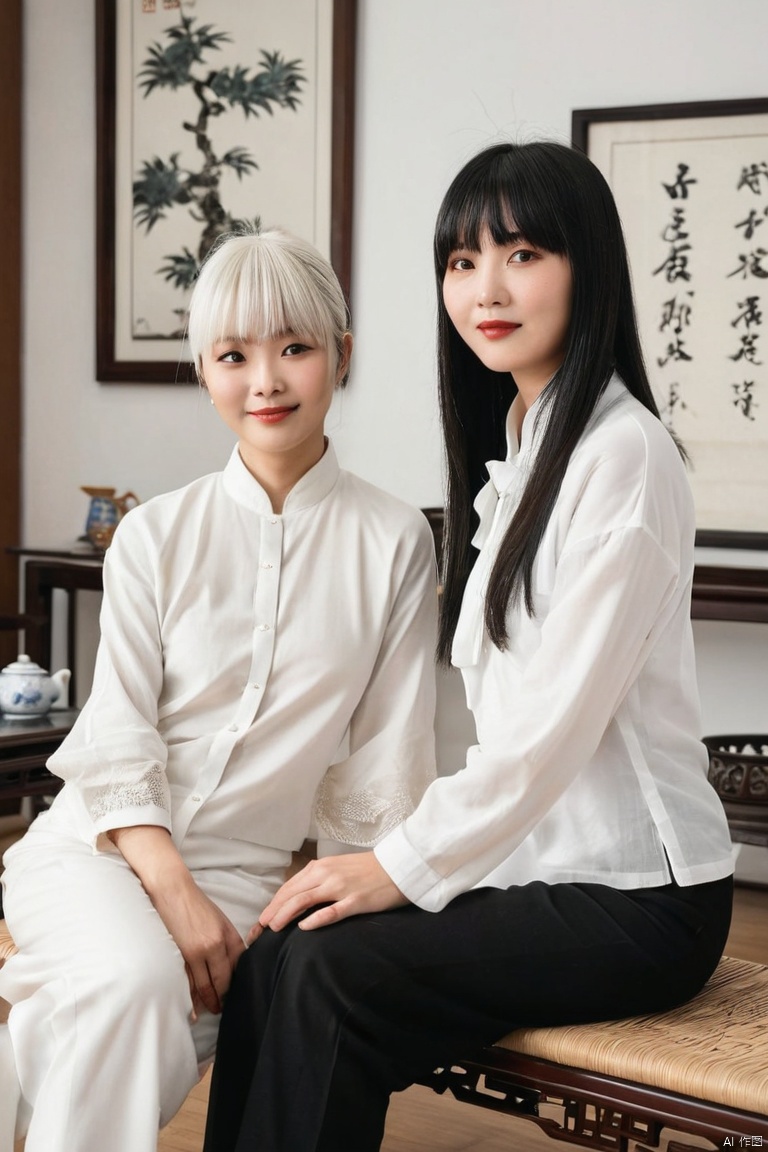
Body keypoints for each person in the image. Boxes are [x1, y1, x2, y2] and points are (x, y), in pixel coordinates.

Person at [202, 142, 735, 1152]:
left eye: (522, 253)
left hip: (642, 897)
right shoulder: (530, 445)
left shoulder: (624, 456)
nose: (484, 287)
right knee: (278, 950)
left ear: (590, 269)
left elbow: (546, 738)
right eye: (459, 260)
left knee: (327, 972)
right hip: (545, 868)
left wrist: (397, 864)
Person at [0, 228, 438, 1152]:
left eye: (295, 348)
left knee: (105, 1022)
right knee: (128, 988)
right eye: (234, 355)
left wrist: (342, 914)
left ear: (341, 356)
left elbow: (384, 760)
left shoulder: (395, 541)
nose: (266, 381)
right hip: (94, 853)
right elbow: (115, 732)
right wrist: (174, 894)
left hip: (250, 887)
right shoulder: (155, 536)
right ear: (204, 371)